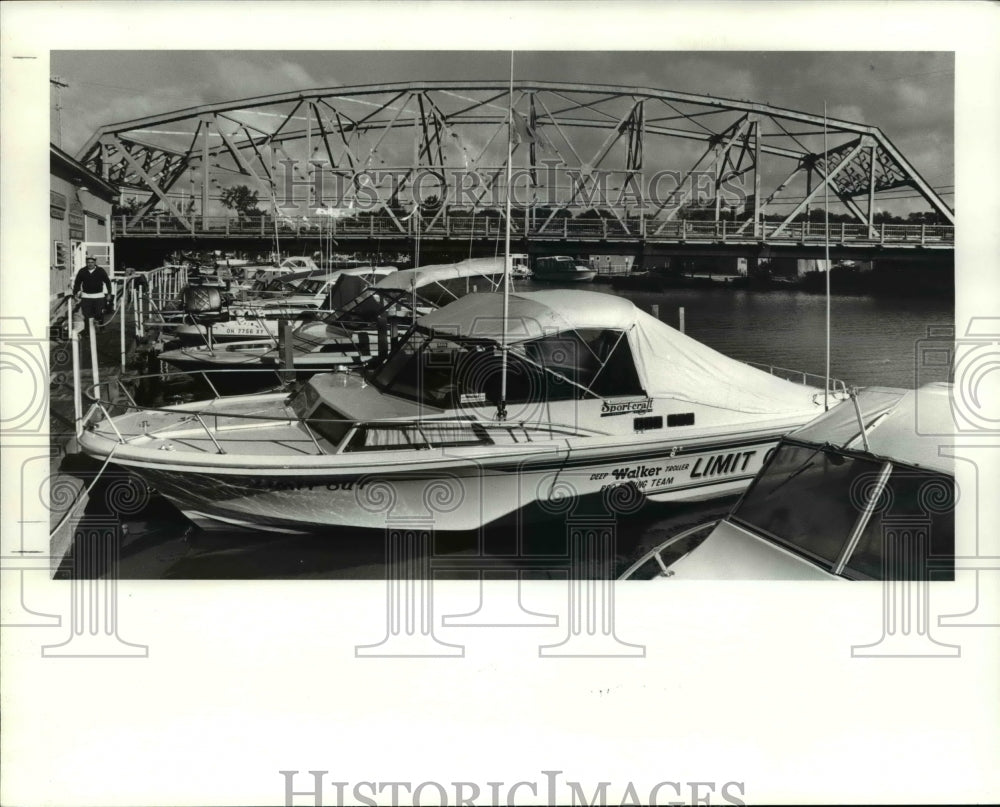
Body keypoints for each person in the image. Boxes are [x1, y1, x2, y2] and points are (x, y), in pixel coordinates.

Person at [73, 255, 114, 330]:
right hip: (86, 296)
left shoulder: (100, 270)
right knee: (87, 314)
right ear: (86, 263)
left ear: (95, 262)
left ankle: (101, 326)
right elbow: (77, 283)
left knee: (99, 313)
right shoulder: (82, 271)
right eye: (88, 262)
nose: (90, 264)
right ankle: (88, 330)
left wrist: (109, 293)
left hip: (98, 296)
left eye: (92, 262)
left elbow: (108, 282)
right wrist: (76, 293)